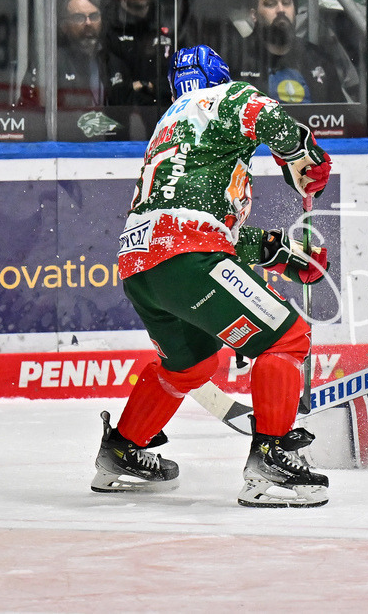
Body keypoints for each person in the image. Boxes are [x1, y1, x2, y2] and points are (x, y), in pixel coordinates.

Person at [92, 45, 333, 508]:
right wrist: (301, 153)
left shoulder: (171, 127)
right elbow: (265, 113)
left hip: (142, 266)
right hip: (186, 256)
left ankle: (123, 448)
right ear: (221, 75)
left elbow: (200, 220)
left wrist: (274, 249)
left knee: (191, 365)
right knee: (286, 339)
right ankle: (272, 456)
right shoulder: (222, 98)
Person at [230, 0, 348, 104]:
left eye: (286, 3)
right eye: (270, 4)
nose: (281, 10)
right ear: (254, 15)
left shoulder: (318, 58)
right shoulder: (235, 59)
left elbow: (340, 117)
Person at [102, 0, 174, 109]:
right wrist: (153, 87)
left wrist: (143, 85)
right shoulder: (106, 26)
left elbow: (180, 85)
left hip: (164, 120)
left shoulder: (170, 24)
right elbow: (116, 92)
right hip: (118, 120)